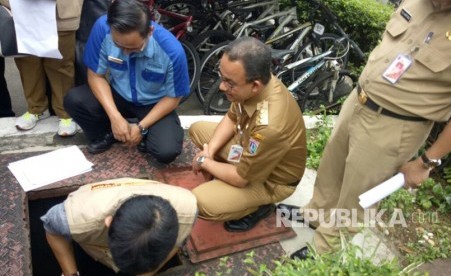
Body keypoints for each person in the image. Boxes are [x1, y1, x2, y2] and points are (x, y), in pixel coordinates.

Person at [277, 0, 451, 259]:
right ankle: (315, 213)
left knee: (358, 195)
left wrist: (425, 163)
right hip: (359, 99)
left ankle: (323, 252)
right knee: (332, 167)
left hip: (396, 124)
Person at [189, 37, 307, 232]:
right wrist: (209, 153)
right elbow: (232, 117)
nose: (221, 86)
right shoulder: (254, 85)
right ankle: (224, 173)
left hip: (271, 180)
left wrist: (205, 162)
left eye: (229, 82)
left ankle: (259, 207)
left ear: (255, 86)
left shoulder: (269, 126)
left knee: (200, 202)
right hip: (249, 148)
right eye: (221, 76)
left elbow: (241, 178)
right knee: (198, 130)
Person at [64, 0, 189, 165]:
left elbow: (173, 97)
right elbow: (95, 75)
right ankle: (107, 133)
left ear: (149, 31)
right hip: (120, 95)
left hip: (153, 103)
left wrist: (141, 127)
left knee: (167, 151)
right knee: (74, 99)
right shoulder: (103, 27)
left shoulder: (172, 50)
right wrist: (115, 117)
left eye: (133, 48)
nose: (125, 52)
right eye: (118, 45)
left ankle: (145, 134)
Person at [40, 177, 197, 275]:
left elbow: (177, 243)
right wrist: (71, 273)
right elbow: (51, 228)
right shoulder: (79, 217)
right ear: (109, 222)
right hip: (92, 220)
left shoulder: (188, 208)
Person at [0, 0, 83, 136]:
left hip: (61, 11)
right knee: (27, 63)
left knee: (60, 65)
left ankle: (65, 113)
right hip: (21, 11)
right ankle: (36, 108)